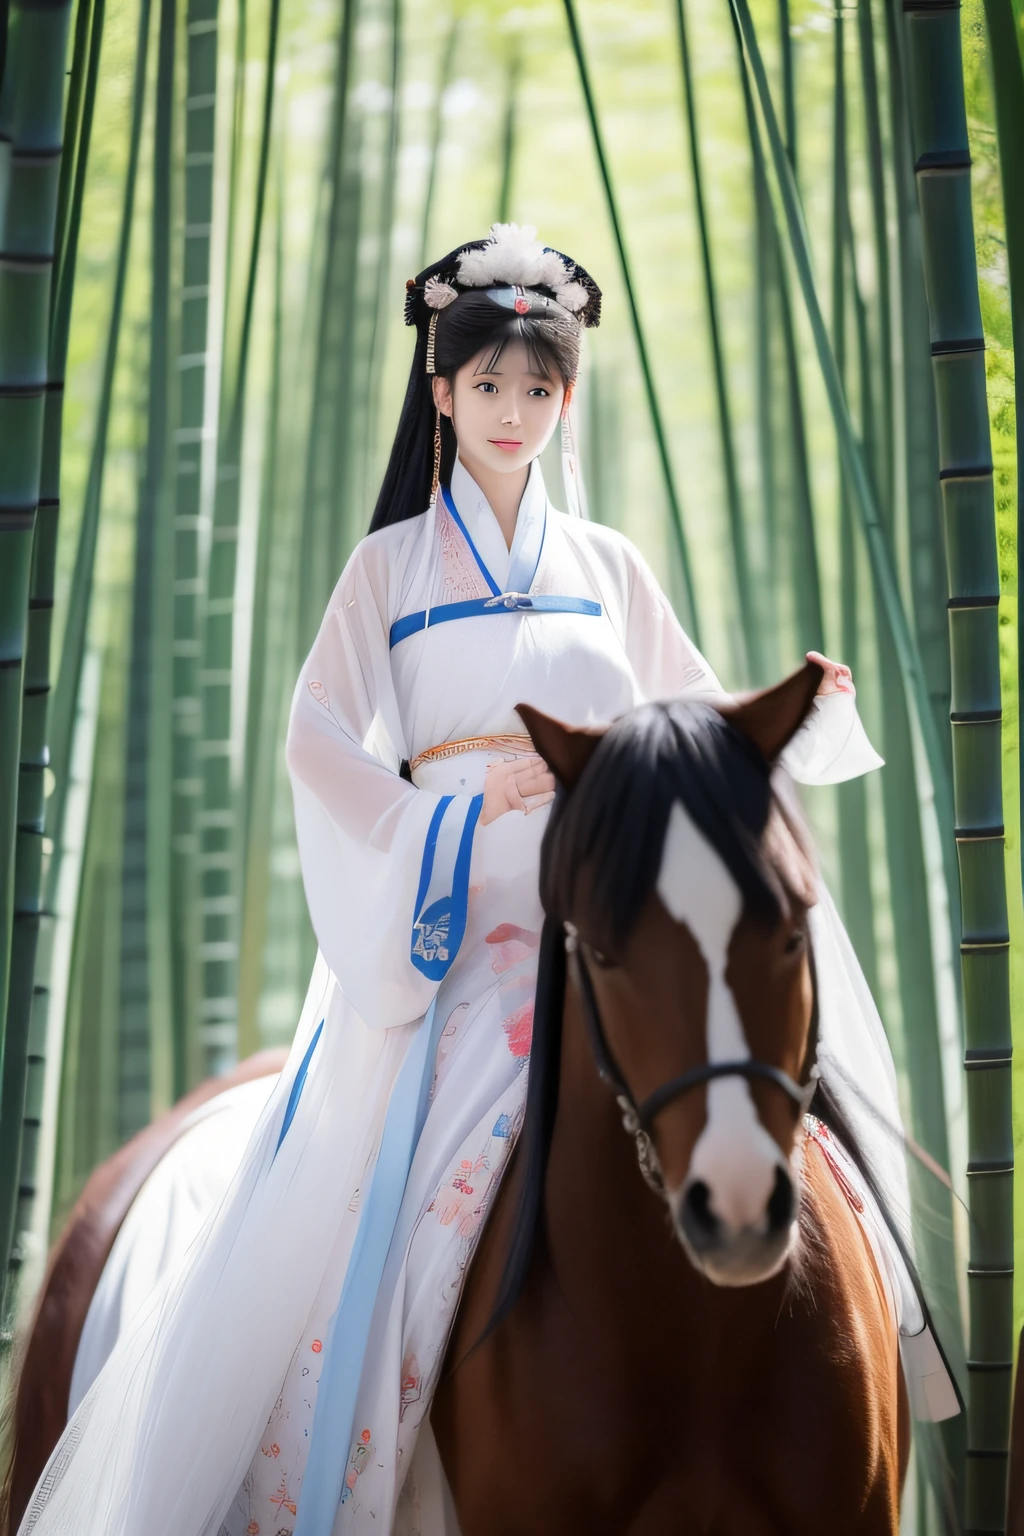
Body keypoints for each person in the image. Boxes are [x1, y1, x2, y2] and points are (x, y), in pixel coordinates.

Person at [19, 224, 953, 1536]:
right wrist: (447, 815)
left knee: (802, 1118)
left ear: (566, 400)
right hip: (452, 946)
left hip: (608, 928)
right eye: (487, 386)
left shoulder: (610, 568)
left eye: (538, 388)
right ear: (441, 394)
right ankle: (362, 1461)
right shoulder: (388, 572)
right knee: (379, 1214)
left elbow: (690, 719)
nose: (512, 412)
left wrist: (798, 711)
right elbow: (319, 741)